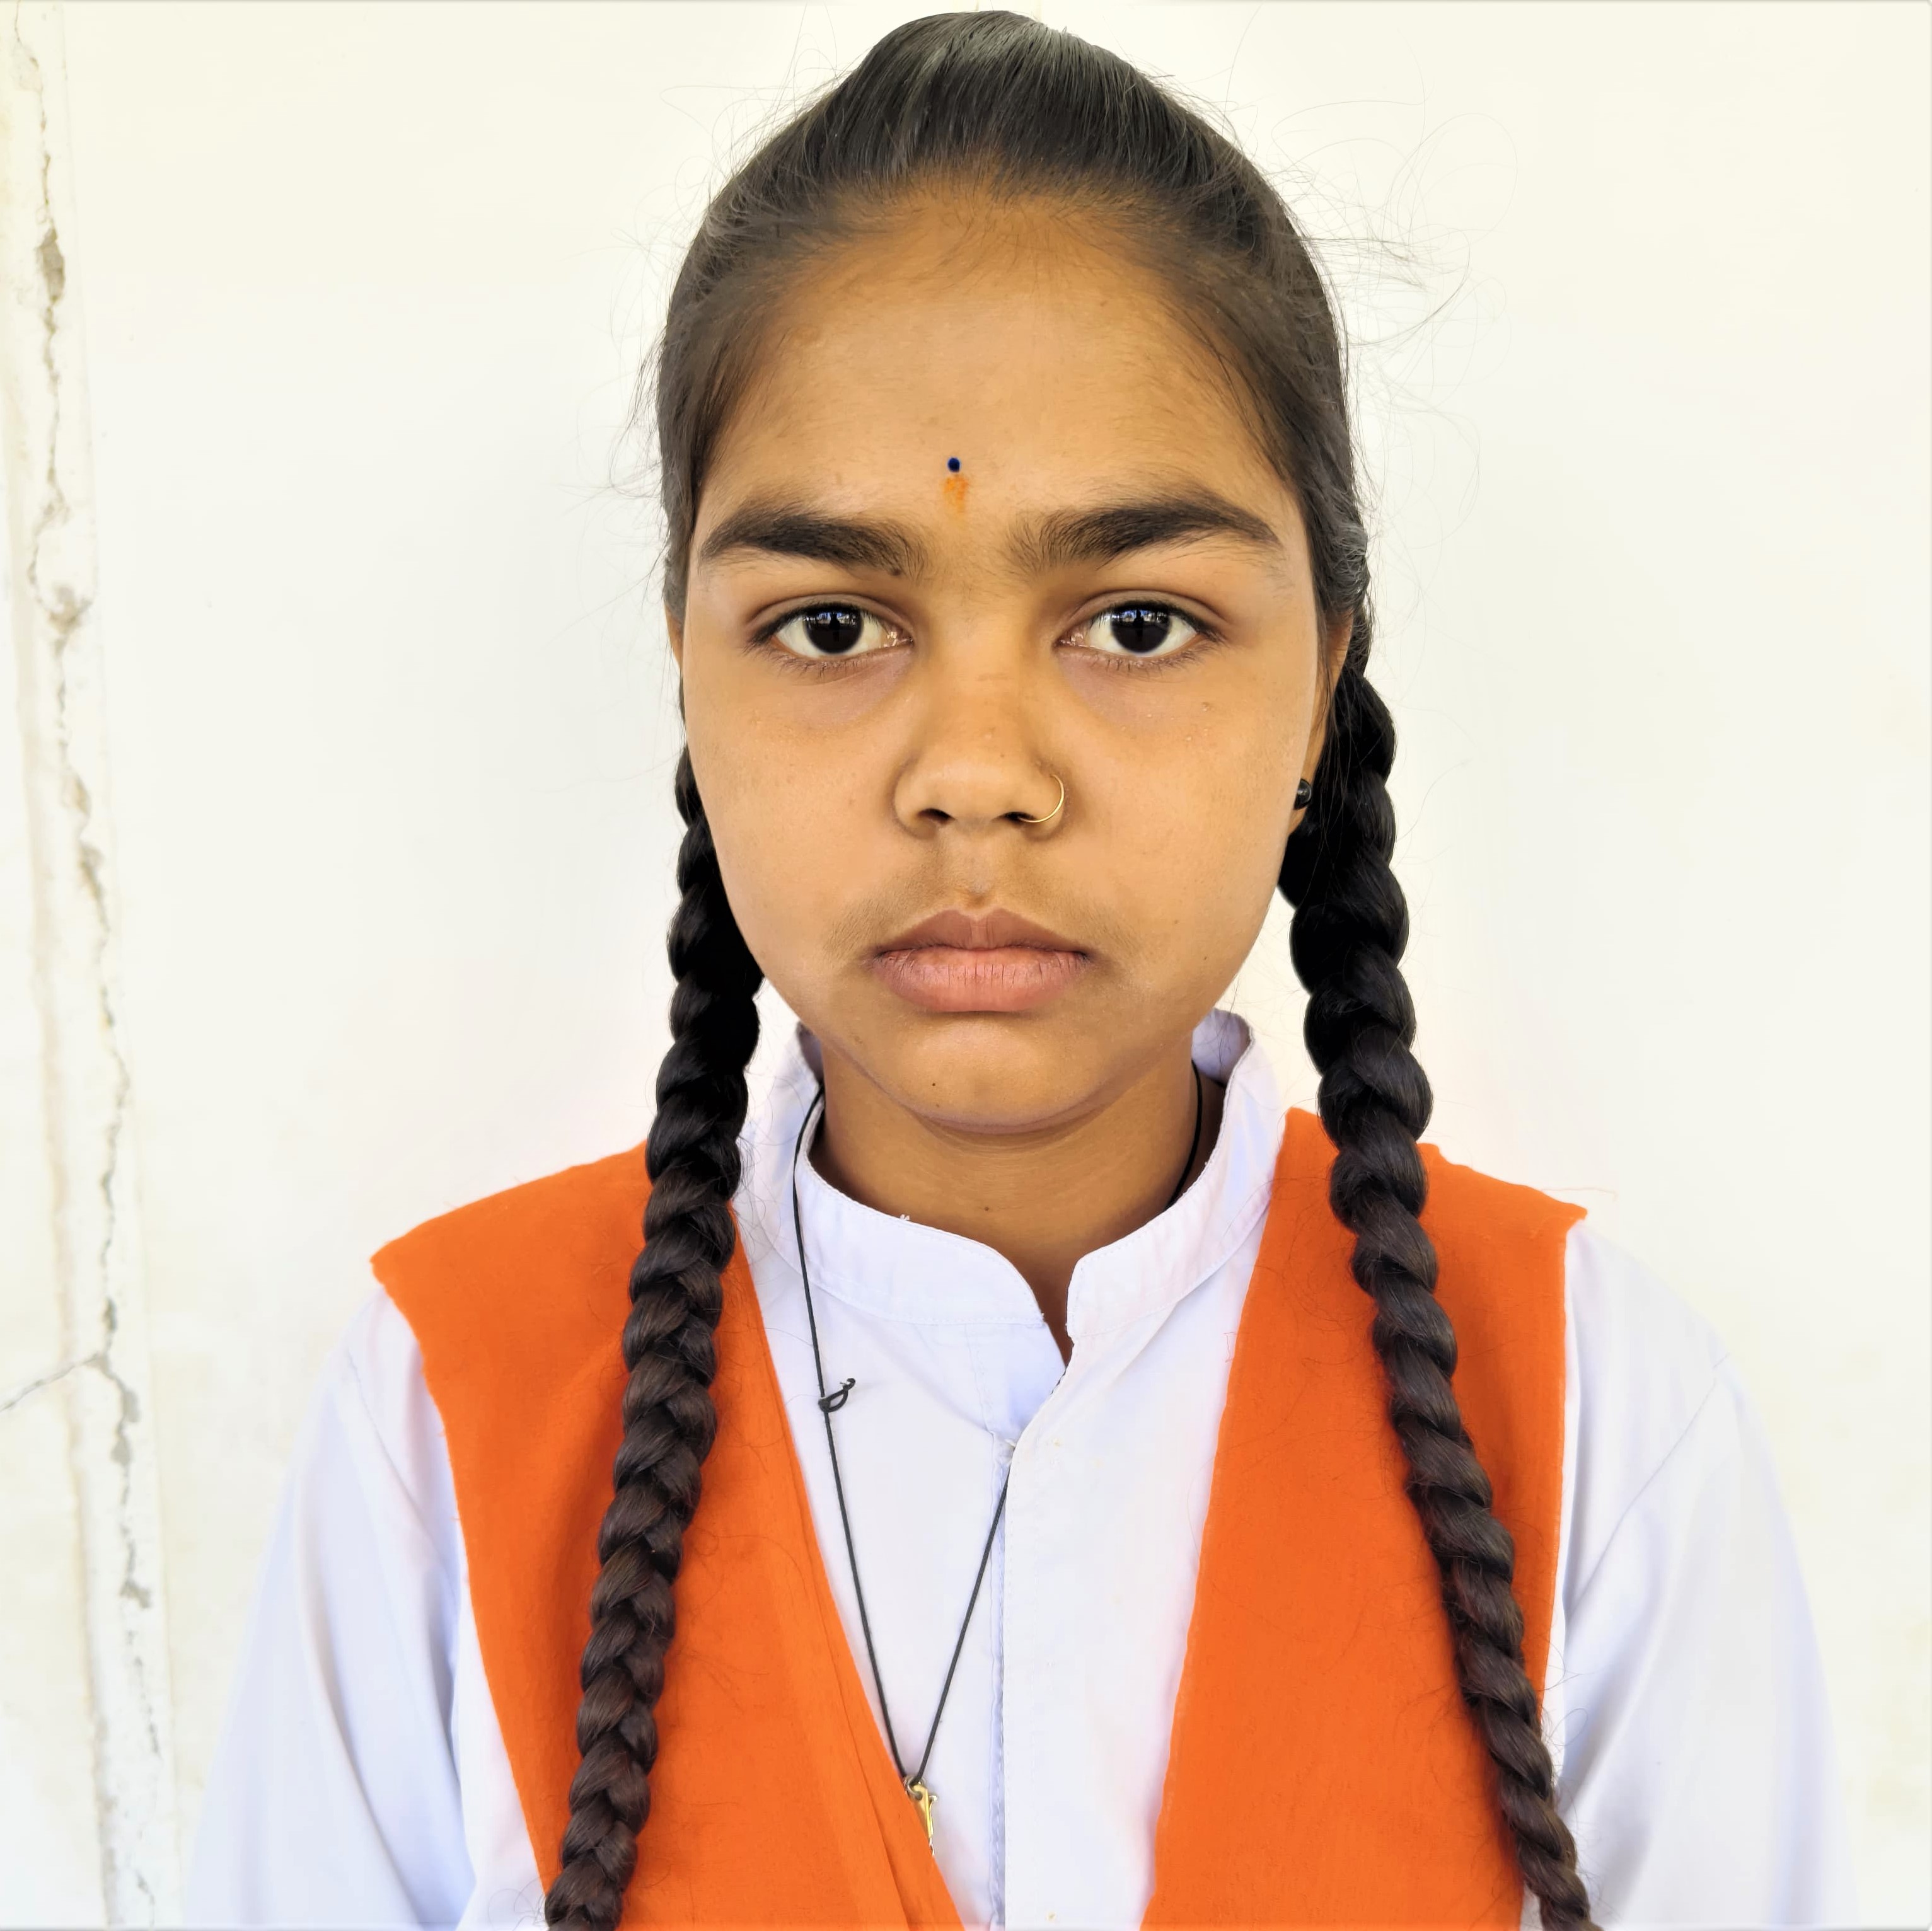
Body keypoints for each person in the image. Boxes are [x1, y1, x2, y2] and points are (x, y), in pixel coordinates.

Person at [186, 14, 1853, 1929]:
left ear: (1324, 682)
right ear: (686, 673)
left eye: (1136, 623)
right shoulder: (447, 1409)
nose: (975, 773)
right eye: (831, 625)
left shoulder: (1590, 1415)